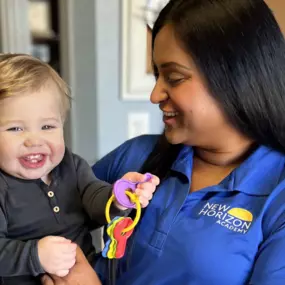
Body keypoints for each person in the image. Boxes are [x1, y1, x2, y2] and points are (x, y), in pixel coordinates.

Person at [91, 0, 285, 284]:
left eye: (174, 77)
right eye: (158, 75)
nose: (155, 95)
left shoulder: (276, 195)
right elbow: (43, 206)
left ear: (238, 76)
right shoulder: (135, 155)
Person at [0, 53, 159, 285]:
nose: (34, 140)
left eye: (47, 126)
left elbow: (92, 198)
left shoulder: (71, 165)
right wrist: (35, 256)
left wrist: (117, 199)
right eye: (15, 128)